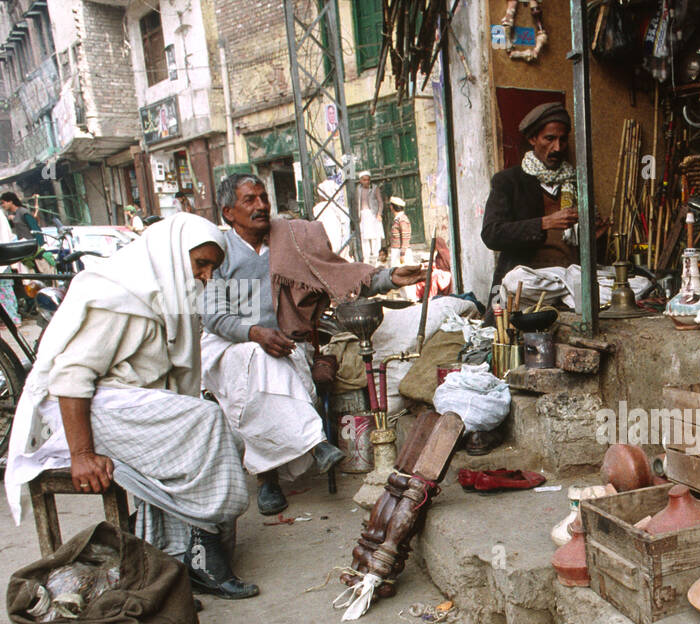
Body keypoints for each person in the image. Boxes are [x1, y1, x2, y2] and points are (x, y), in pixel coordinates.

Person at [5, 214, 259, 599]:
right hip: (90, 408)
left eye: (212, 268)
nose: (206, 276)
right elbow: (72, 378)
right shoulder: (121, 297)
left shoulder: (167, 296)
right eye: (200, 264)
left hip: (127, 402)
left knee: (225, 437)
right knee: (205, 422)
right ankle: (201, 551)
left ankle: (175, 559)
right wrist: (83, 454)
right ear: (173, 256)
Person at [201, 173, 425, 517]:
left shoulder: (291, 239)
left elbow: (337, 273)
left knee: (269, 363)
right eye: (250, 200)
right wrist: (255, 333)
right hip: (230, 346)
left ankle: (279, 469)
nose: (261, 206)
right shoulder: (218, 253)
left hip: (287, 345)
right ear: (228, 212)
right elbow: (214, 317)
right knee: (256, 358)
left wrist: (388, 277)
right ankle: (296, 455)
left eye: (264, 197)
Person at [480, 103, 608, 295]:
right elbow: (492, 234)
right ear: (533, 139)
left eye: (562, 140)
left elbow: (587, 253)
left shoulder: (575, 182)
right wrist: (544, 223)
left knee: (636, 285)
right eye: (549, 139)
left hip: (572, 277)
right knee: (516, 282)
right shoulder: (509, 181)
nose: (557, 147)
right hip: (535, 279)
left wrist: (594, 239)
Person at [357, 171, 384, 264]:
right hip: (363, 215)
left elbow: (380, 202)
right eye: (364, 180)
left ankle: (376, 256)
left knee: (375, 237)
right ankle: (366, 257)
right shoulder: (358, 189)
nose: (366, 182)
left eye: (368, 179)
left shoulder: (374, 188)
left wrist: (379, 214)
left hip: (373, 214)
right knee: (364, 237)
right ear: (360, 180)